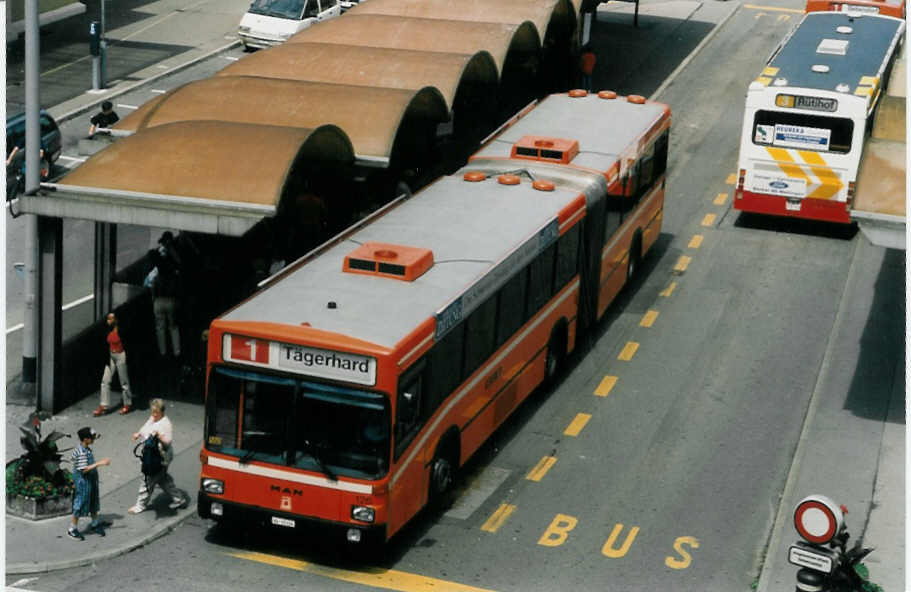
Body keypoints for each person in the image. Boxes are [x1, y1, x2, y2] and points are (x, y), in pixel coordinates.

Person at [128, 399, 186, 514]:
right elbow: (146, 425)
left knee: (148, 480)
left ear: (162, 412)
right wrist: (138, 433)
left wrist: (160, 436)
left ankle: (140, 505)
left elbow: (168, 441)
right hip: (153, 455)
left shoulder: (165, 423)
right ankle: (179, 499)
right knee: (162, 479)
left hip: (159, 458)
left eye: (156, 412)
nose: (153, 415)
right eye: (152, 412)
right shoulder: (154, 418)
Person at [69, 427, 111, 540]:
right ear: (86, 439)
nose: (94, 440)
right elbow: (84, 470)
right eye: (92, 438)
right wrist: (100, 463)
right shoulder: (82, 452)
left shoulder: (83, 447)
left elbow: (73, 458)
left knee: (93, 500)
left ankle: (95, 523)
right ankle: (72, 528)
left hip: (90, 481)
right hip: (83, 482)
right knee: (80, 503)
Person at [149, 232, 183, 360]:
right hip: (171, 300)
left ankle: (162, 352)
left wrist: (153, 300)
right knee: (173, 326)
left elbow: (153, 287)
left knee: (160, 328)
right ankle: (177, 351)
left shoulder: (158, 271)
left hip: (158, 301)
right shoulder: (173, 268)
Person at [94, 312, 133, 416]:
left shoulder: (122, 330)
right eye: (108, 319)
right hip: (111, 356)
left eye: (111, 319)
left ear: (116, 320)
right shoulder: (107, 330)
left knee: (124, 381)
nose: (108, 321)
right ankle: (103, 405)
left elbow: (127, 344)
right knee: (105, 380)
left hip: (120, 355)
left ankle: (127, 403)